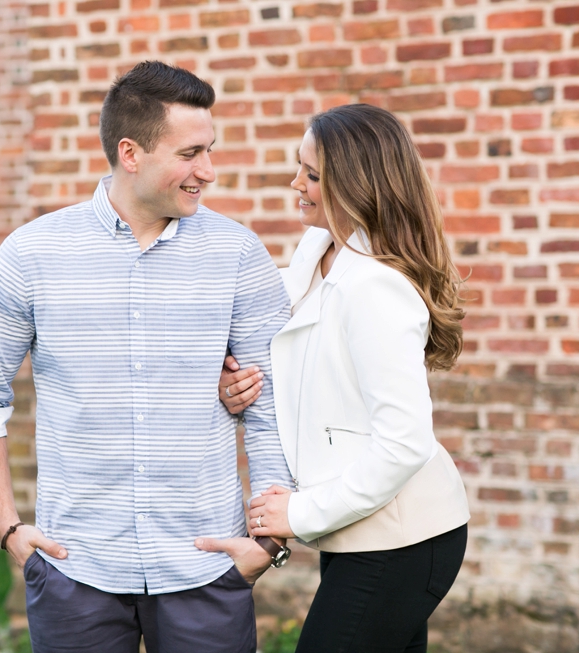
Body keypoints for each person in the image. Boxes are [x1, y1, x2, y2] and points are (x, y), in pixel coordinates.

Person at [0, 61, 295, 653]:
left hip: (206, 563)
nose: (209, 171)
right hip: (76, 566)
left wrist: (268, 542)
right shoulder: (31, 255)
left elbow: (273, 399)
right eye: (191, 153)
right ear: (131, 153)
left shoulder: (238, 254)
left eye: (210, 150)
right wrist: (9, 530)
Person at [217, 104, 470, 653]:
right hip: (361, 532)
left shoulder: (375, 286)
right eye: (298, 168)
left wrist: (299, 512)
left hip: (404, 538)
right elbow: (301, 363)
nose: (296, 184)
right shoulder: (317, 256)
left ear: (355, 184)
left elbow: (404, 443)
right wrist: (238, 380)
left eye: (312, 175)